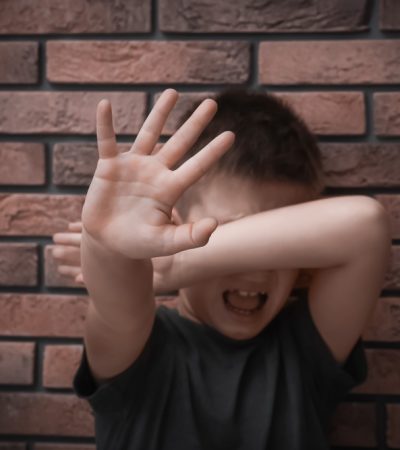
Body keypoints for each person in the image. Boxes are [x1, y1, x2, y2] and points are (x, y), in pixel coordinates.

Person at [52, 88, 391, 450]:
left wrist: (179, 262)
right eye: (231, 231)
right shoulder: (140, 346)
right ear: (173, 226)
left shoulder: (302, 350)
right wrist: (120, 248)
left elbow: (366, 225)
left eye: (272, 241)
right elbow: (117, 299)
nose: (258, 269)